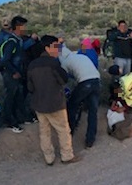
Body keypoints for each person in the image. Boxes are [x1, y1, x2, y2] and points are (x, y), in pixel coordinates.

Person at [27, 35, 81, 165]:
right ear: (47, 47)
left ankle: (49, 158)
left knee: (44, 132)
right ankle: (67, 156)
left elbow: (30, 87)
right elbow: (63, 79)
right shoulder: (54, 63)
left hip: (39, 104)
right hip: (55, 103)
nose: (58, 49)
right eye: (56, 47)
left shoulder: (32, 65)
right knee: (63, 130)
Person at [59, 40, 101, 149]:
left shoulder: (65, 62)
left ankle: (70, 133)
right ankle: (90, 140)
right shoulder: (80, 56)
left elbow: (64, 78)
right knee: (93, 111)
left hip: (85, 83)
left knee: (72, 106)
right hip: (96, 81)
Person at [0, 16, 30, 133]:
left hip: (15, 73)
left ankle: (19, 119)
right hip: (10, 74)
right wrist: (14, 72)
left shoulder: (18, 40)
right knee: (10, 98)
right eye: (24, 26)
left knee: (18, 96)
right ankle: (9, 122)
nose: (25, 28)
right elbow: (5, 60)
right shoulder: (12, 41)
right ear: (18, 26)